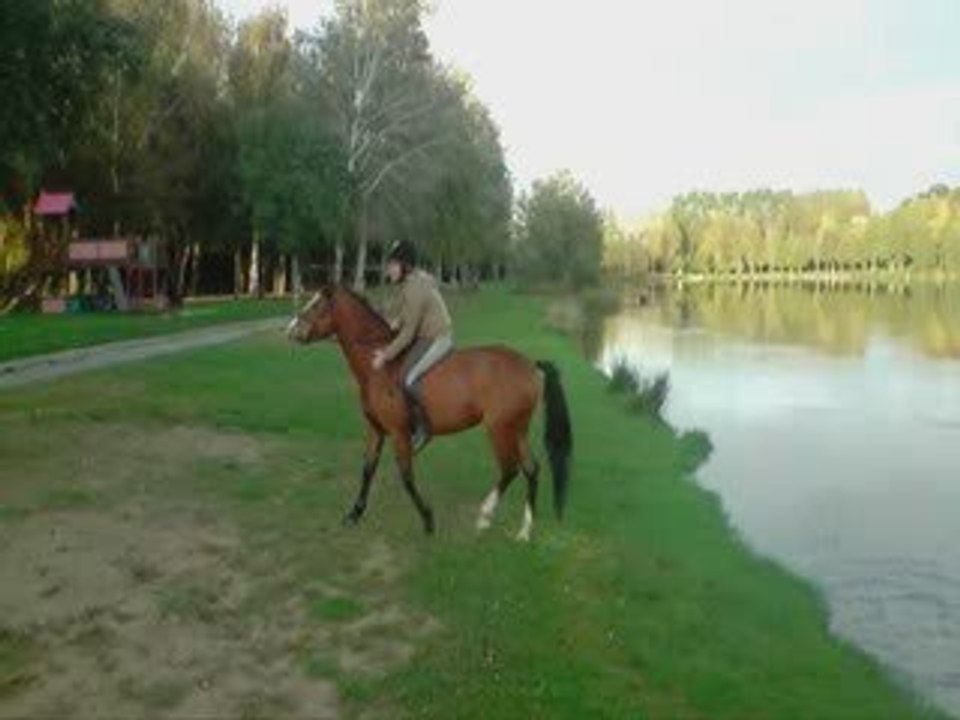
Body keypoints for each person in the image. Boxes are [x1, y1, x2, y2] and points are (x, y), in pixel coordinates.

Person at [372, 241, 453, 451]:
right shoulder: (408, 283)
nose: (388, 269)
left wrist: (385, 355)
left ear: (405, 266)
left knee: (407, 378)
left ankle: (424, 429)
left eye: (392, 264)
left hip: (437, 338)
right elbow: (400, 311)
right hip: (423, 336)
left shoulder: (415, 288)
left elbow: (407, 334)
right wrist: (393, 320)